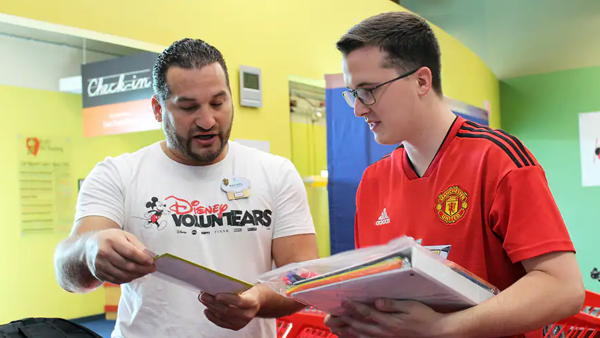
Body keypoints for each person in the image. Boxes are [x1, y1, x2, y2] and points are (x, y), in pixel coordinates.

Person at [324, 11, 585, 338]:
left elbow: (562, 287)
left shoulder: (497, 158)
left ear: (421, 81)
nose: (359, 108)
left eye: (368, 90)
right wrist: (360, 320)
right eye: (353, 93)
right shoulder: (373, 181)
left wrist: (443, 328)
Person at [53, 38, 318, 338]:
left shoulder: (275, 172)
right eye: (189, 107)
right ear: (157, 109)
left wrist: (256, 299)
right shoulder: (118, 174)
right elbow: (69, 275)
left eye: (218, 103)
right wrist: (89, 250)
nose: (207, 120)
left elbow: (302, 279)